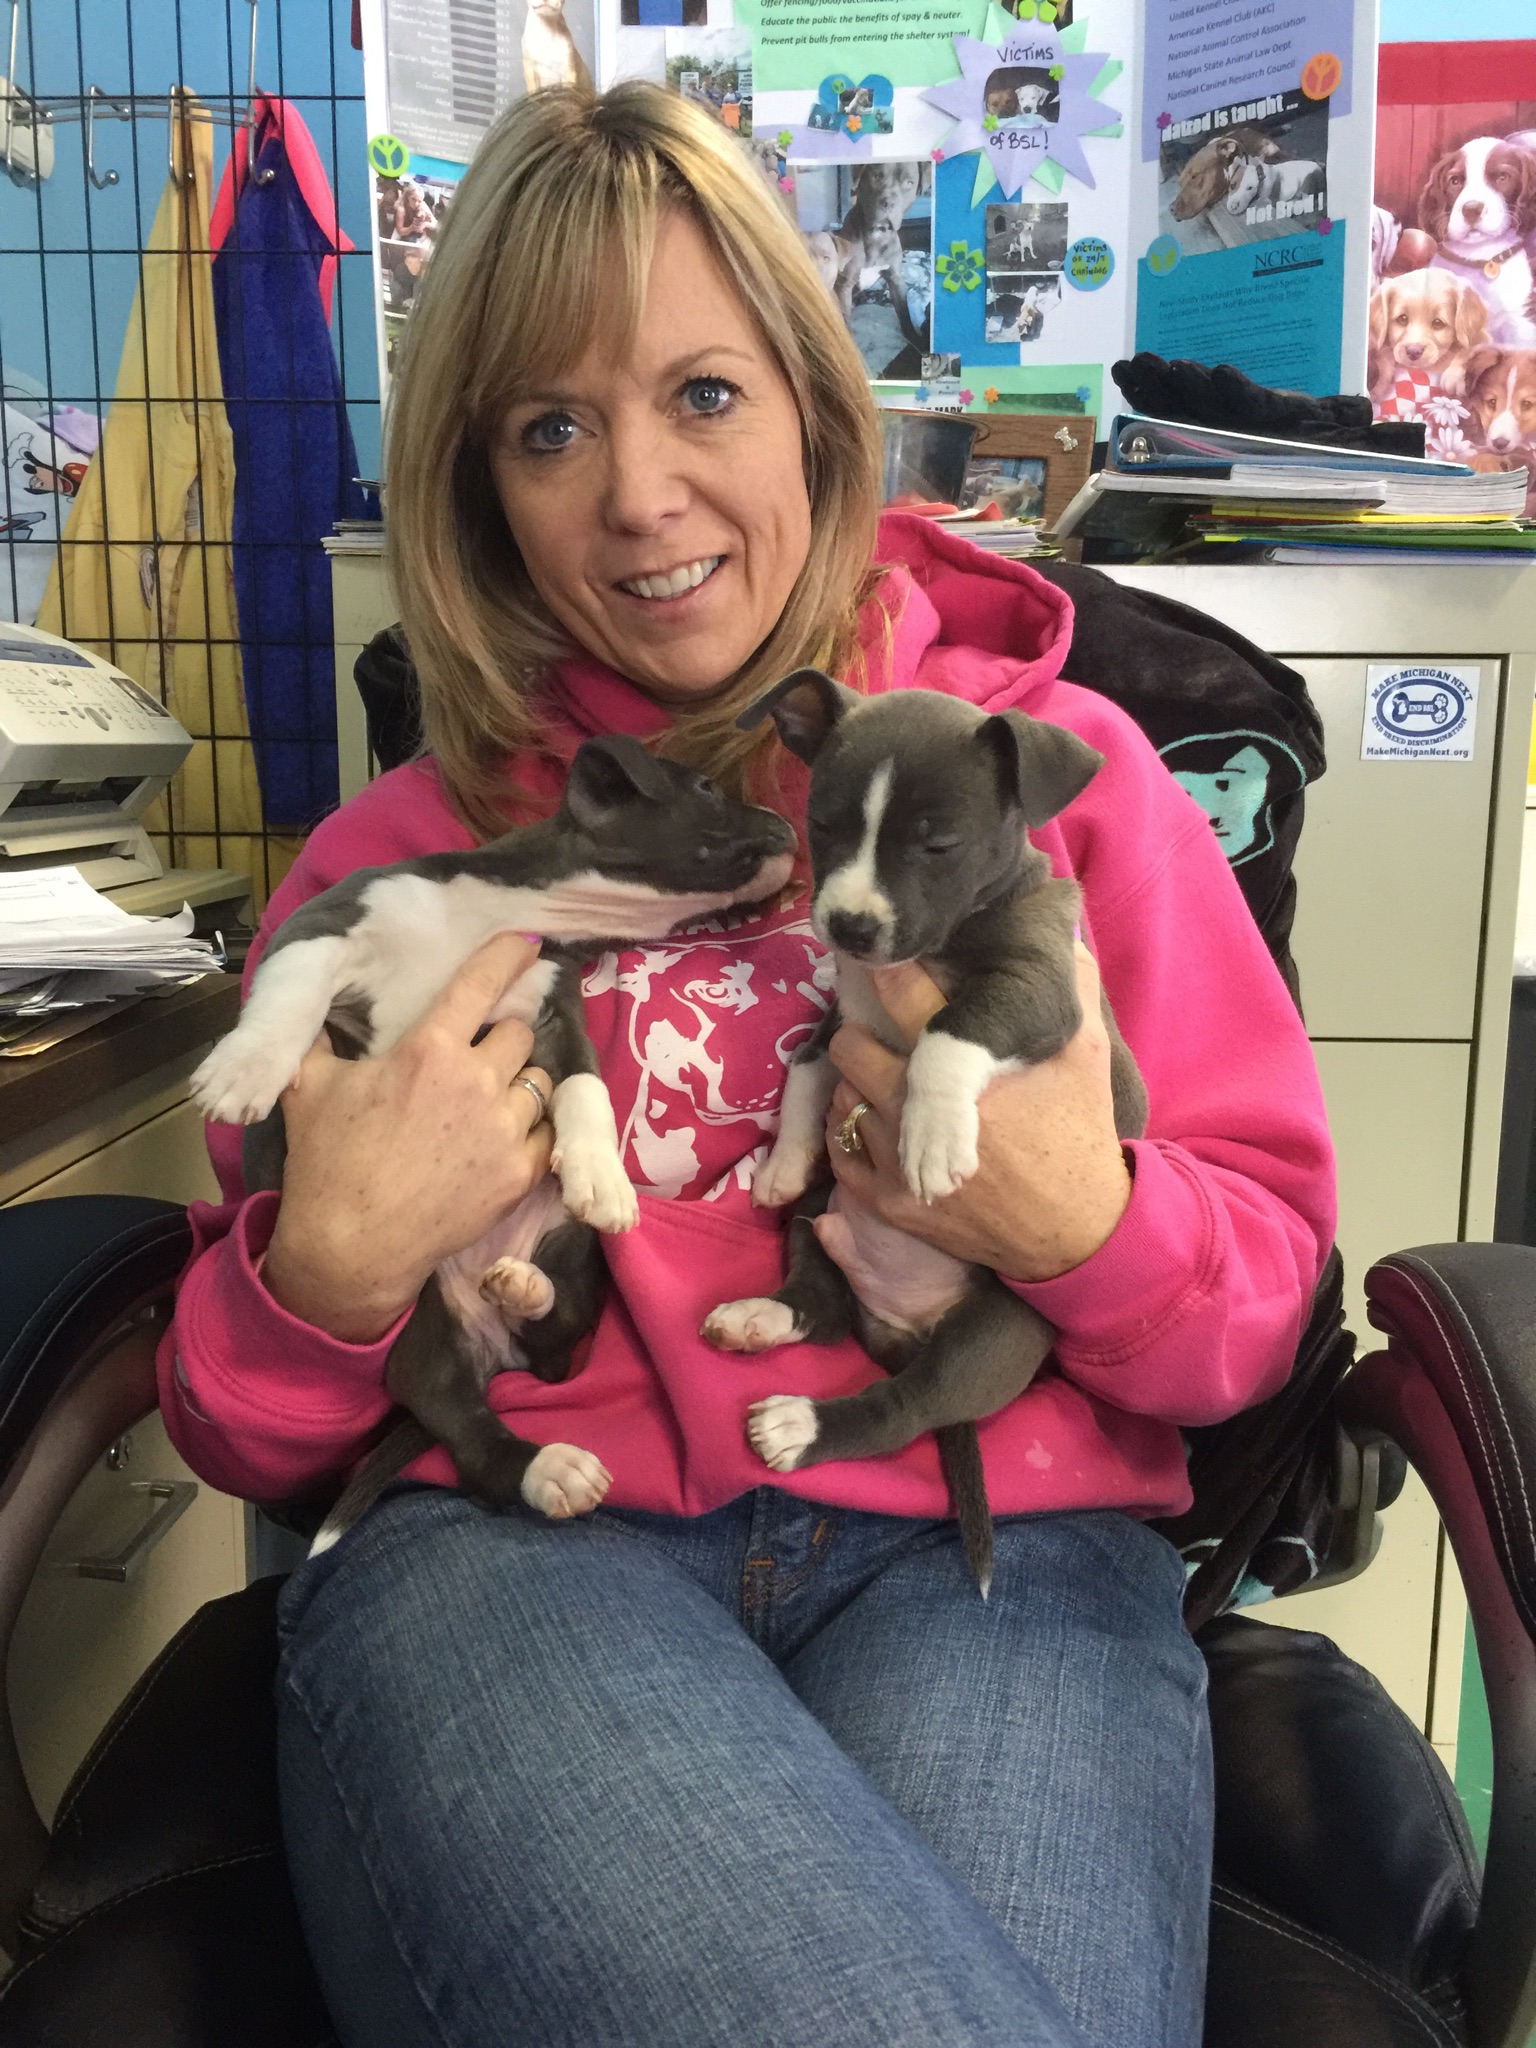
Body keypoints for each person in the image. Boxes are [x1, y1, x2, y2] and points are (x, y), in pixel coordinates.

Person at [160, 82, 1335, 2048]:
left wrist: (1087, 1225)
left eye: (701, 393)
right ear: (483, 495)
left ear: (812, 400)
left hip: (998, 1547)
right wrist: (332, 1277)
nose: (636, 493)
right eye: (552, 427)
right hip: (515, 1550)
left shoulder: (1061, 790)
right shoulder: (400, 869)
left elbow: (1258, 1317)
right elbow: (245, 1435)